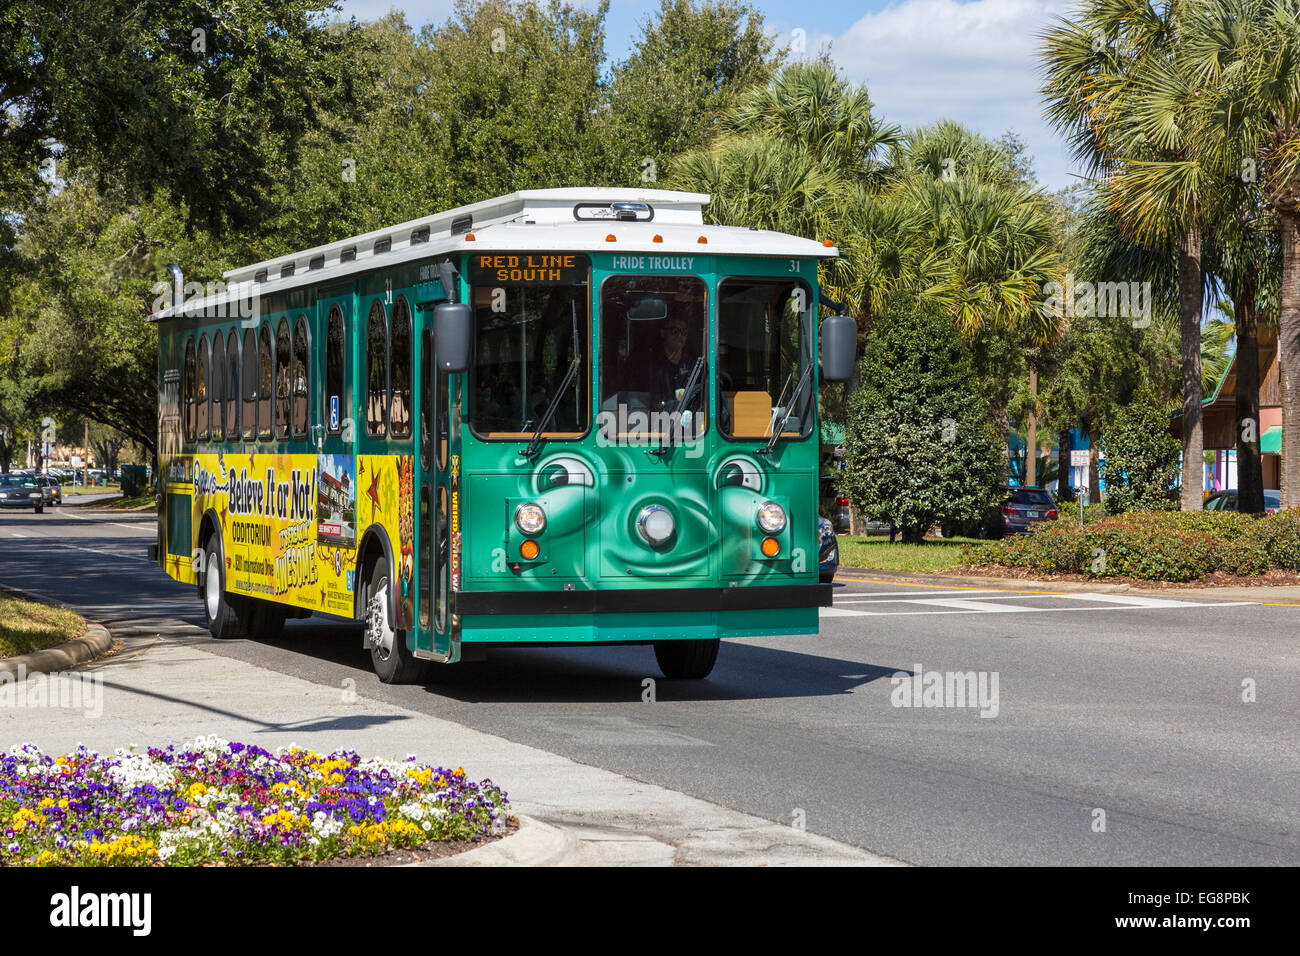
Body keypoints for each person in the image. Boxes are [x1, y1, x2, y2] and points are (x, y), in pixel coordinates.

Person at [639, 317, 698, 409]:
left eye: (683, 332)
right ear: (663, 333)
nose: (679, 336)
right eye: (674, 331)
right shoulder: (650, 363)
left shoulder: (693, 364)